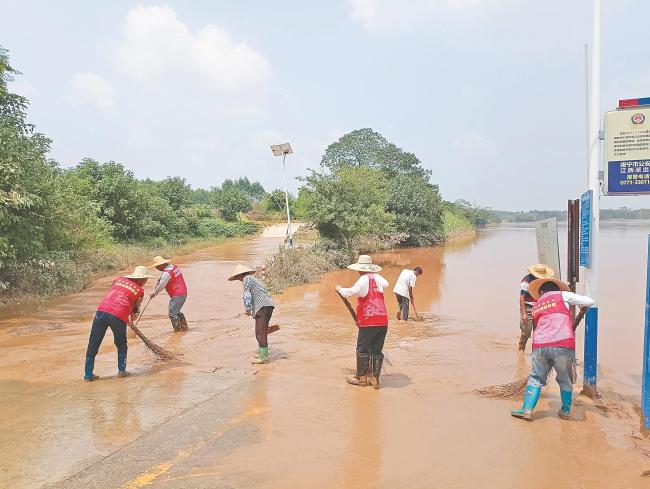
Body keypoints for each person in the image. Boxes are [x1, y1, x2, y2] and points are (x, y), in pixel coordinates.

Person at [511, 277, 594, 421]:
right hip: (562, 345)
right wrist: (581, 307)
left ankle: (527, 410)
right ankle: (565, 410)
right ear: (556, 290)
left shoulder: (537, 306)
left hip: (540, 346)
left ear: (541, 292)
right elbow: (589, 301)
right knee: (565, 379)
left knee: (535, 378)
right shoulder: (563, 295)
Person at [84, 266, 154, 382]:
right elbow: (135, 311)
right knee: (121, 344)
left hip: (101, 311)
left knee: (93, 343)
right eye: (146, 279)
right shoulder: (140, 291)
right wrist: (132, 316)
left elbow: (114, 294)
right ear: (141, 279)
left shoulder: (118, 279)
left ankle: (88, 374)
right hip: (118, 315)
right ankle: (122, 371)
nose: (146, 282)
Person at [336, 255, 390, 389]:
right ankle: (375, 379)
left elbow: (351, 292)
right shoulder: (377, 278)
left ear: (360, 269)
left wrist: (339, 289)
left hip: (368, 321)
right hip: (382, 320)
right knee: (376, 350)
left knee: (362, 349)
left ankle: (362, 377)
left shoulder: (363, 279)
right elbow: (386, 284)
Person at [228, 264, 275, 365]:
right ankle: (262, 353)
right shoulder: (252, 279)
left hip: (262, 307)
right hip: (267, 306)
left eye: (237, 277)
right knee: (262, 331)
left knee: (259, 333)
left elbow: (247, 295)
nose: (238, 279)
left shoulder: (246, 279)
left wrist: (248, 308)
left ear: (240, 275)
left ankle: (263, 357)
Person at [518, 264, 554, 351]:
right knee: (526, 331)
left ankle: (536, 352)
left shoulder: (544, 281)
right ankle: (521, 350)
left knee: (539, 332)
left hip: (540, 307)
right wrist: (524, 314)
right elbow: (522, 297)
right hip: (528, 307)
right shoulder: (526, 281)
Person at [149, 256, 188, 333]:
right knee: (176, 312)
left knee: (172, 313)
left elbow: (161, 285)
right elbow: (160, 281)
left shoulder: (166, 273)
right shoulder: (173, 267)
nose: (156, 268)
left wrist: (154, 293)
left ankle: (178, 333)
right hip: (183, 293)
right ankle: (184, 328)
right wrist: (155, 289)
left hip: (177, 295)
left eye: (157, 266)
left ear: (162, 265)